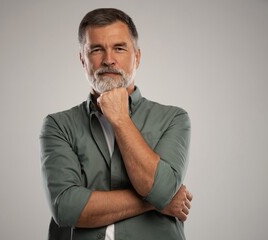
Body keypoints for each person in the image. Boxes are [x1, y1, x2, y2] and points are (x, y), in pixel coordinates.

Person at [40, 8, 193, 240]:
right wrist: (155, 202)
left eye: (119, 48)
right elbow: (67, 208)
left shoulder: (173, 119)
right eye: (96, 49)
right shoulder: (58, 125)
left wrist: (120, 119)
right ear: (83, 59)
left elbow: (161, 189)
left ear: (137, 57)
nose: (108, 59)